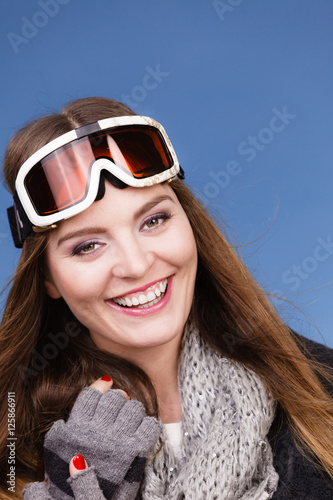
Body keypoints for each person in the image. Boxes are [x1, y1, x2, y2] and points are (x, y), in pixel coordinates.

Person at [0, 97, 332, 500]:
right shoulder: (16, 450)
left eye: (153, 220)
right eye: (87, 246)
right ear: (48, 278)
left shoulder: (320, 386)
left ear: (189, 223)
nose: (137, 265)